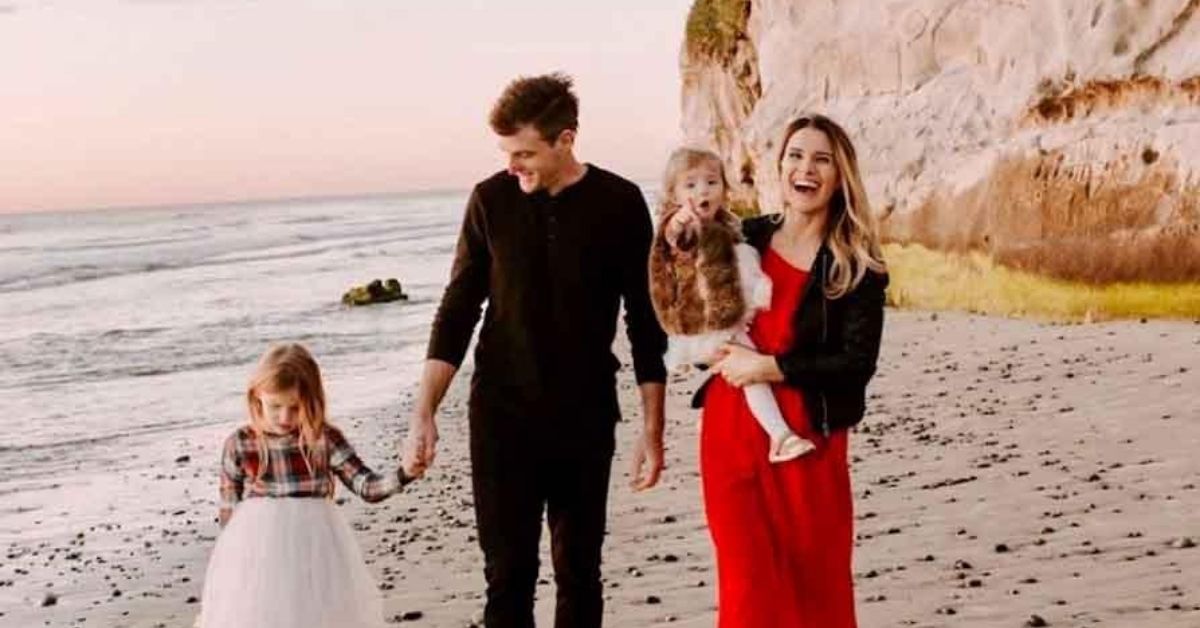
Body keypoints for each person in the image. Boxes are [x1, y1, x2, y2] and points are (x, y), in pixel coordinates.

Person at [401, 73, 668, 628]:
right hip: (501, 418)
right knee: (507, 578)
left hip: (585, 418)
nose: (511, 165)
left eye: (523, 153)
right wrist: (422, 412)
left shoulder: (619, 203)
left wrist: (652, 431)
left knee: (579, 574)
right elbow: (457, 311)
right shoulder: (490, 200)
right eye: (505, 152)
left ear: (565, 140)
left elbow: (646, 322)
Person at [697, 114, 888, 627]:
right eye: (796, 156)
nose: (806, 169)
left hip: (809, 444)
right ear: (779, 167)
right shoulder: (746, 237)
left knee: (814, 590)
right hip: (732, 435)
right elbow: (690, 297)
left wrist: (769, 366)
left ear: (839, 174)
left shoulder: (858, 264)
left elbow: (856, 364)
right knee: (747, 590)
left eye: (821, 159)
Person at [198, 343, 424, 628]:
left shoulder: (323, 440)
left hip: (318, 548)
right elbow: (228, 513)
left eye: (295, 408)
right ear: (257, 397)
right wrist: (227, 573)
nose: (284, 417)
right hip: (258, 552)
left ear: (312, 400)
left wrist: (405, 473)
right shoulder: (240, 443)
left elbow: (366, 486)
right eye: (275, 406)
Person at [648, 147, 814, 463]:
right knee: (752, 370)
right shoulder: (683, 225)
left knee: (742, 368)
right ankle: (779, 436)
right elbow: (675, 238)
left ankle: (715, 415)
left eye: (711, 182)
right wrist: (681, 219)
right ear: (673, 194)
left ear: (724, 187)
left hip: (723, 316)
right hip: (707, 323)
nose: (703, 191)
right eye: (690, 185)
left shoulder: (728, 225)